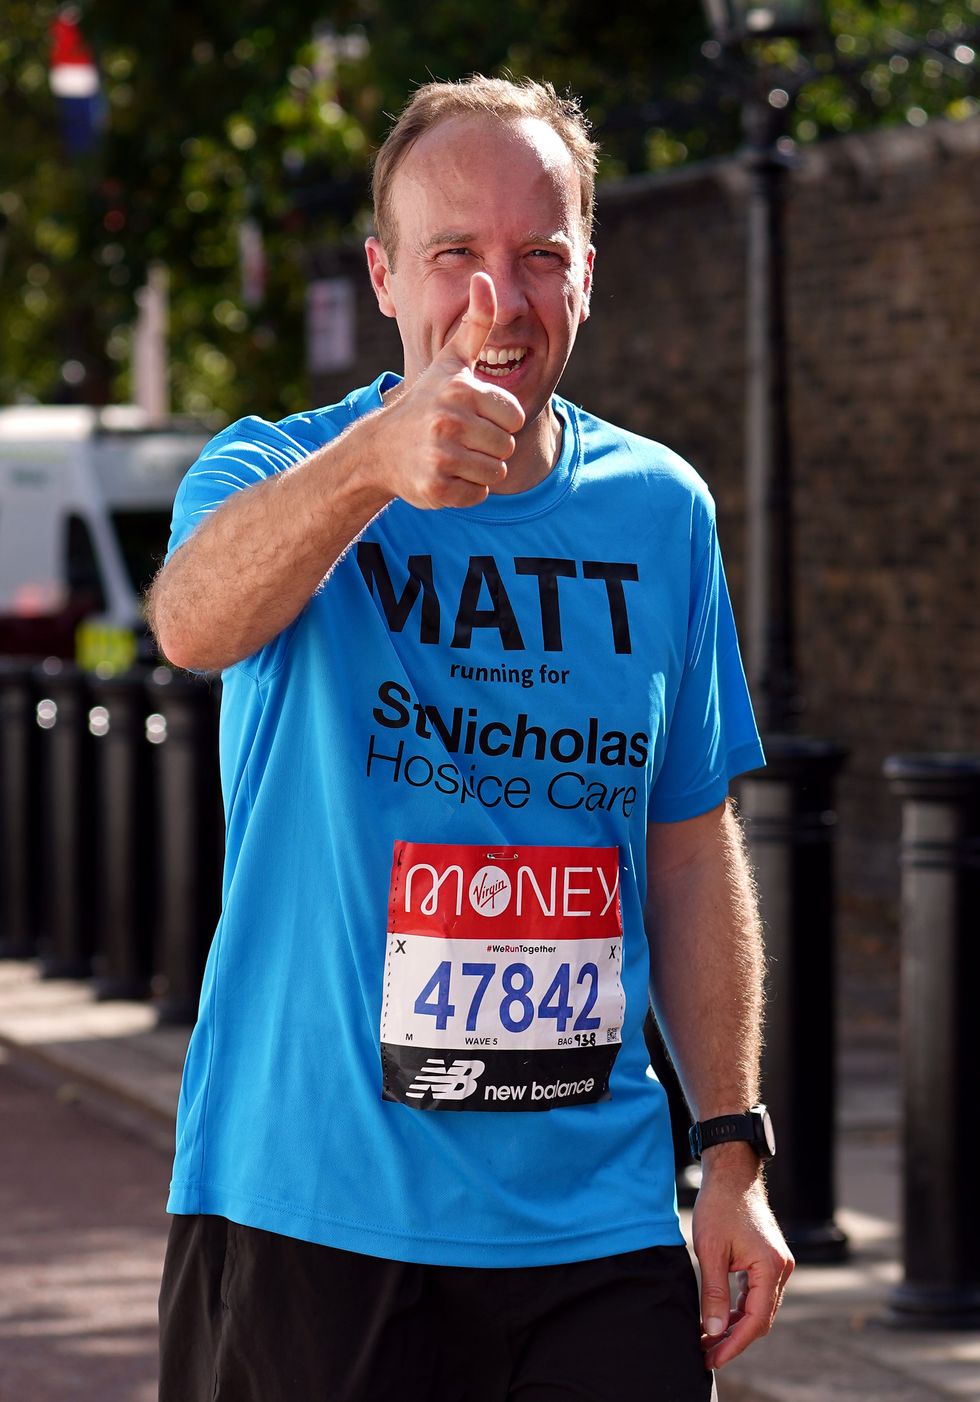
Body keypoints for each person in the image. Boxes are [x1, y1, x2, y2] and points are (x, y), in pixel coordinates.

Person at [149, 75, 793, 1402]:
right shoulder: (274, 468)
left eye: (540, 256)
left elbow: (685, 848)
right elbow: (193, 622)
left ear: (588, 275)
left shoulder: (661, 510)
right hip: (315, 1207)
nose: (499, 300)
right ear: (387, 276)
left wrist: (732, 1150)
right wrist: (373, 466)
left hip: (593, 1219)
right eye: (456, 255)